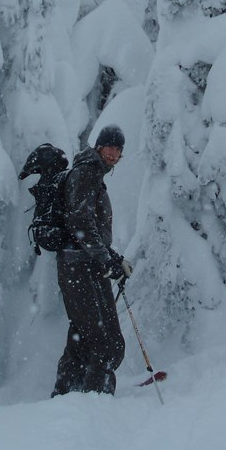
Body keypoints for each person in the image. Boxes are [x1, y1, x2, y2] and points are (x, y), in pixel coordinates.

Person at [51, 125, 133, 397]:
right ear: (99, 147)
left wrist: (112, 258)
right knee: (106, 344)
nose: (114, 154)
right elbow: (80, 222)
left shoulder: (93, 173)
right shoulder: (87, 172)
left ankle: (66, 396)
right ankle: (95, 402)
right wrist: (104, 258)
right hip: (79, 267)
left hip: (83, 266)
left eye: (118, 151)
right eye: (110, 148)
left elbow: (90, 226)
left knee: (84, 338)